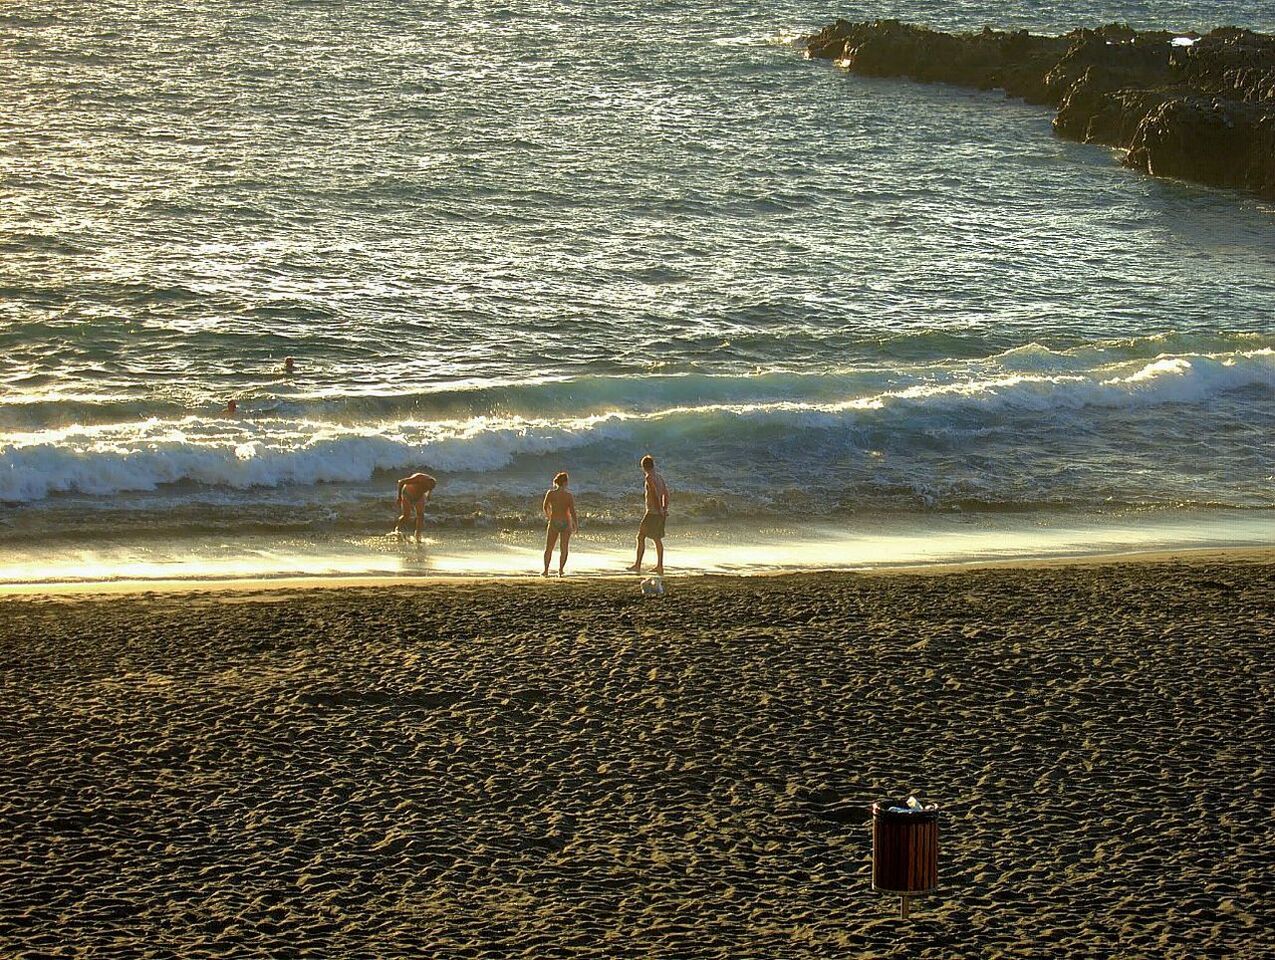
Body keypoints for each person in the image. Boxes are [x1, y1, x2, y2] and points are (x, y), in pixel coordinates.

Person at [627, 454, 669, 575]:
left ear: (644, 467)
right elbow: (666, 494)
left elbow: (655, 493)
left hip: (652, 513)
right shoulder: (659, 477)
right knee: (657, 539)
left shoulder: (649, 478)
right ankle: (659, 566)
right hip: (659, 512)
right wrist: (664, 508)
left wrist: (659, 509)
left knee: (640, 537)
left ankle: (637, 565)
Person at [541, 471, 578, 577]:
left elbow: (545, 506)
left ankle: (546, 570)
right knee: (564, 548)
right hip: (566, 522)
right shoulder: (568, 496)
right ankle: (560, 570)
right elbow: (572, 511)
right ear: (565, 483)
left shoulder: (551, 493)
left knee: (549, 548)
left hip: (554, 521)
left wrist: (549, 516)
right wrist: (576, 523)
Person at [394, 472, 436, 543]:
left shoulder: (432, 483)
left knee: (421, 516)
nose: (427, 488)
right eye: (427, 487)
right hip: (407, 495)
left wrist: (429, 495)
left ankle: (417, 536)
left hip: (419, 497)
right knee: (406, 515)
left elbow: (430, 488)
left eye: (429, 488)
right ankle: (397, 530)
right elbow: (401, 482)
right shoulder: (418, 478)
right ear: (425, 482)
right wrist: (399, 497)